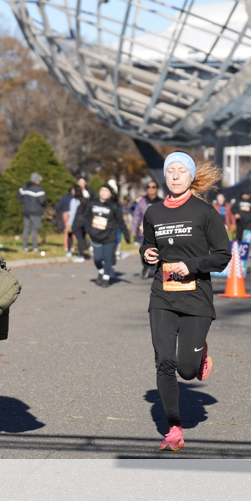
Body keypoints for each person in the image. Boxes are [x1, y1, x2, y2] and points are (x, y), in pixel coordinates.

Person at [140, 151, 231, 451]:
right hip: (163, 295)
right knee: (164, 361)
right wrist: (146, 253)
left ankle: (199, 356)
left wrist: (190, 265)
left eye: (181, 170)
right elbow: (149, 244)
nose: (176, 175)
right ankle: (174, 428)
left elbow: (223, 255)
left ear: (191, 177)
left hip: (196, 297)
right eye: (171, 171)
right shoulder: (153, 212)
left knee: (187, 370)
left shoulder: (205, 213)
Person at [85, 182, 130, 287]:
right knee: (97, 258)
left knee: (107, 257)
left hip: (110, 236)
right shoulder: (93, 203)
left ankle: (106, 278)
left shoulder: (114, 205)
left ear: (110, 194)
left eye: (106, 191)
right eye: (102, 190)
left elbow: (120, 221)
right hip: (95, 236)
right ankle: (101, 271)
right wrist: (89, 230)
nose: (103, 193)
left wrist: (126, 234)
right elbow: (87, 217)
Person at [131, 179, 162, 278]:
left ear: (157, 189)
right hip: (143, 231)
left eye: (153, 187)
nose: (151, 189)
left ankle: (153, 270)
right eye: (149, 187)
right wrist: (133, 229)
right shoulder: (142, 202)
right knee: (144, 251)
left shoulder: (161, 202)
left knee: (155, 251)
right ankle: (145, 266)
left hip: (158, 231)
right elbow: (136, 216)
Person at [17, 172, 46, 253]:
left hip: (26, 211)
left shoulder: (25, 186)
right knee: (34, 230)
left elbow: (18, 195)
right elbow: (43, 201)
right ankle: (35, 248)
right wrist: (42, 208)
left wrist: (24, 202)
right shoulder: (39, 189)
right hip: (36, 212)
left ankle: (25, 247)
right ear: (36, 180)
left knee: (26, 228)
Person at [71, 177, 91, 261]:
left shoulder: (74, 200)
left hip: (77, 221)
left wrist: (69, 224)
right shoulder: (85, 200)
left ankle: (80, 255)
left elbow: (72, 213)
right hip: (84, 221)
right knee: (82, 238)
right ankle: (83, 252)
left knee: (79, 239)